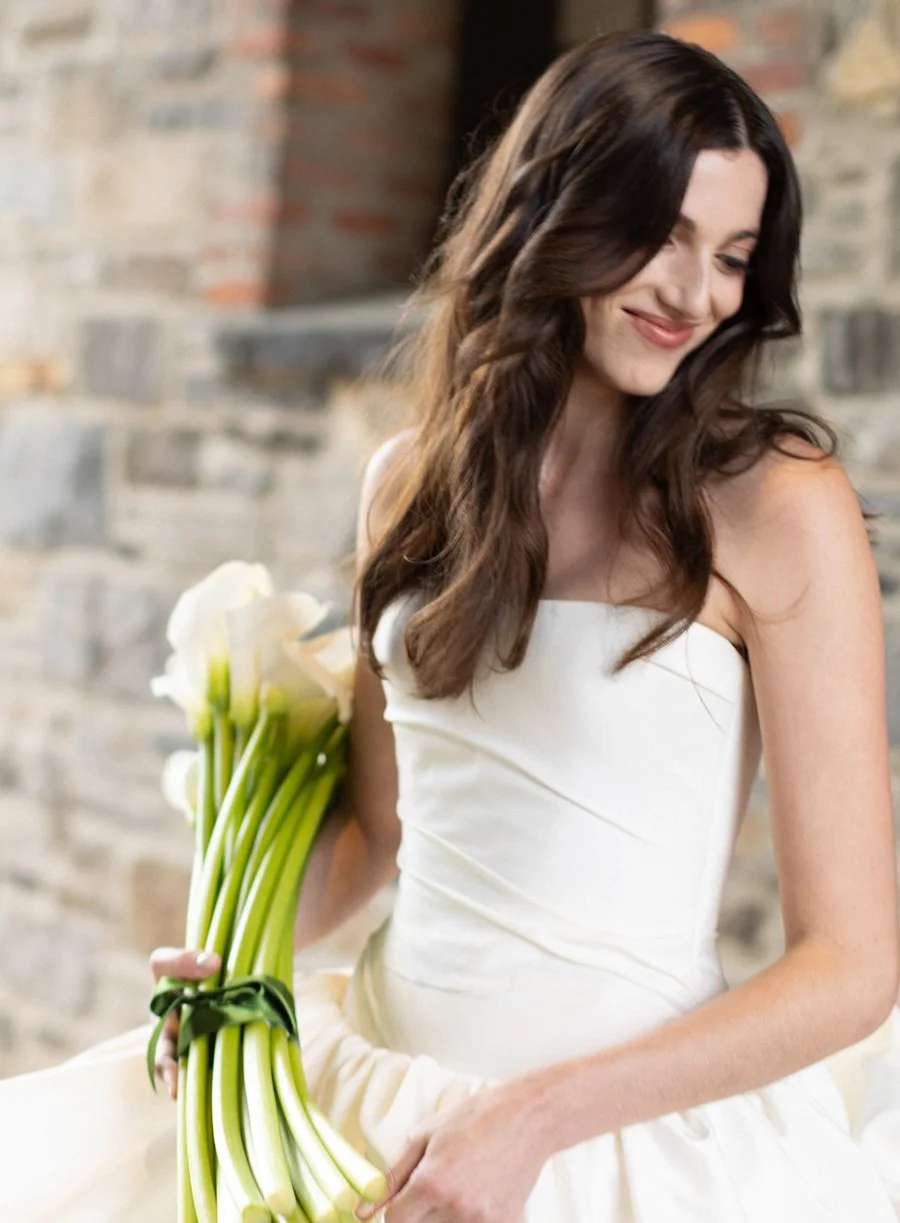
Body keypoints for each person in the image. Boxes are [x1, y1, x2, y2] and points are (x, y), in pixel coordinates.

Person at [2, 27, 900, 1223]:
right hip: (374, 1101)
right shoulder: (408, 484)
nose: (699, 293)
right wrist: (241, 949)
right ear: (558, 211)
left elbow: (852, 963)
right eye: (664, 235)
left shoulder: (774, 503)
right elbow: (380, 839)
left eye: (734, 257)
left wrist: (533, 1117)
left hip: (619, 1147)